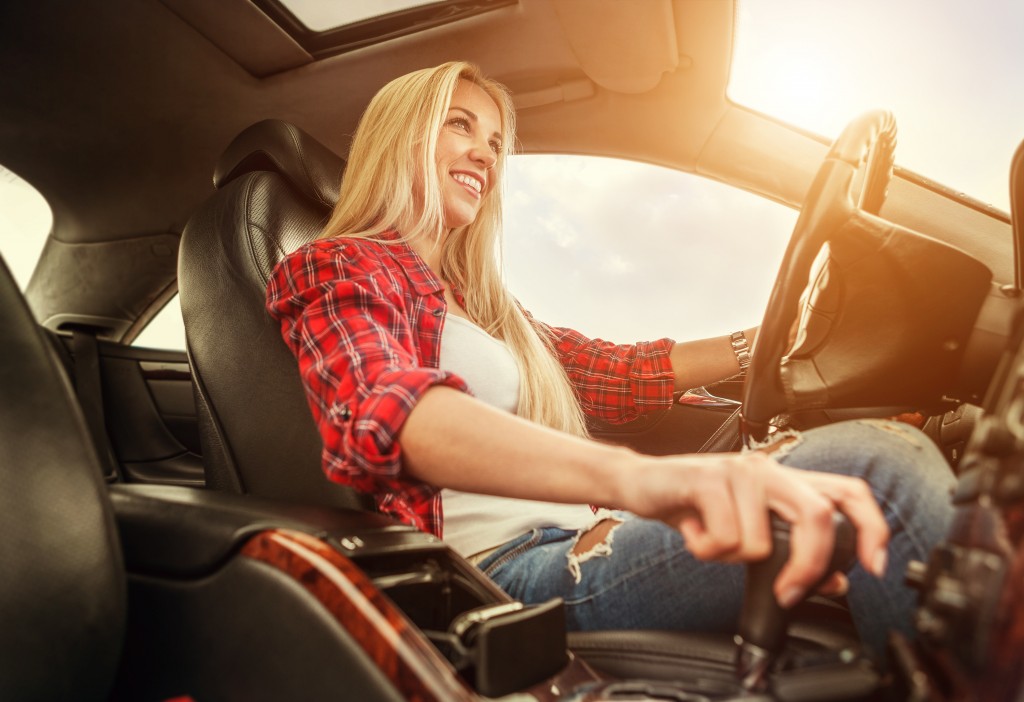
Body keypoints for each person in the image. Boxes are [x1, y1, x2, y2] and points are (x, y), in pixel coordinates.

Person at [265, 61, 954, 658]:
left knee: (860, 469)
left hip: (588, 536)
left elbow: (617, 373)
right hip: (501, 582)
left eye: (497, 141)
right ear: (402, 135)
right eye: (460, 126)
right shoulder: (340, 267)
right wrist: (641, 480)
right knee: (878, 471)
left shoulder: (493, 308)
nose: (485, 154)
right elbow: (388, 412)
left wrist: (769, 338)